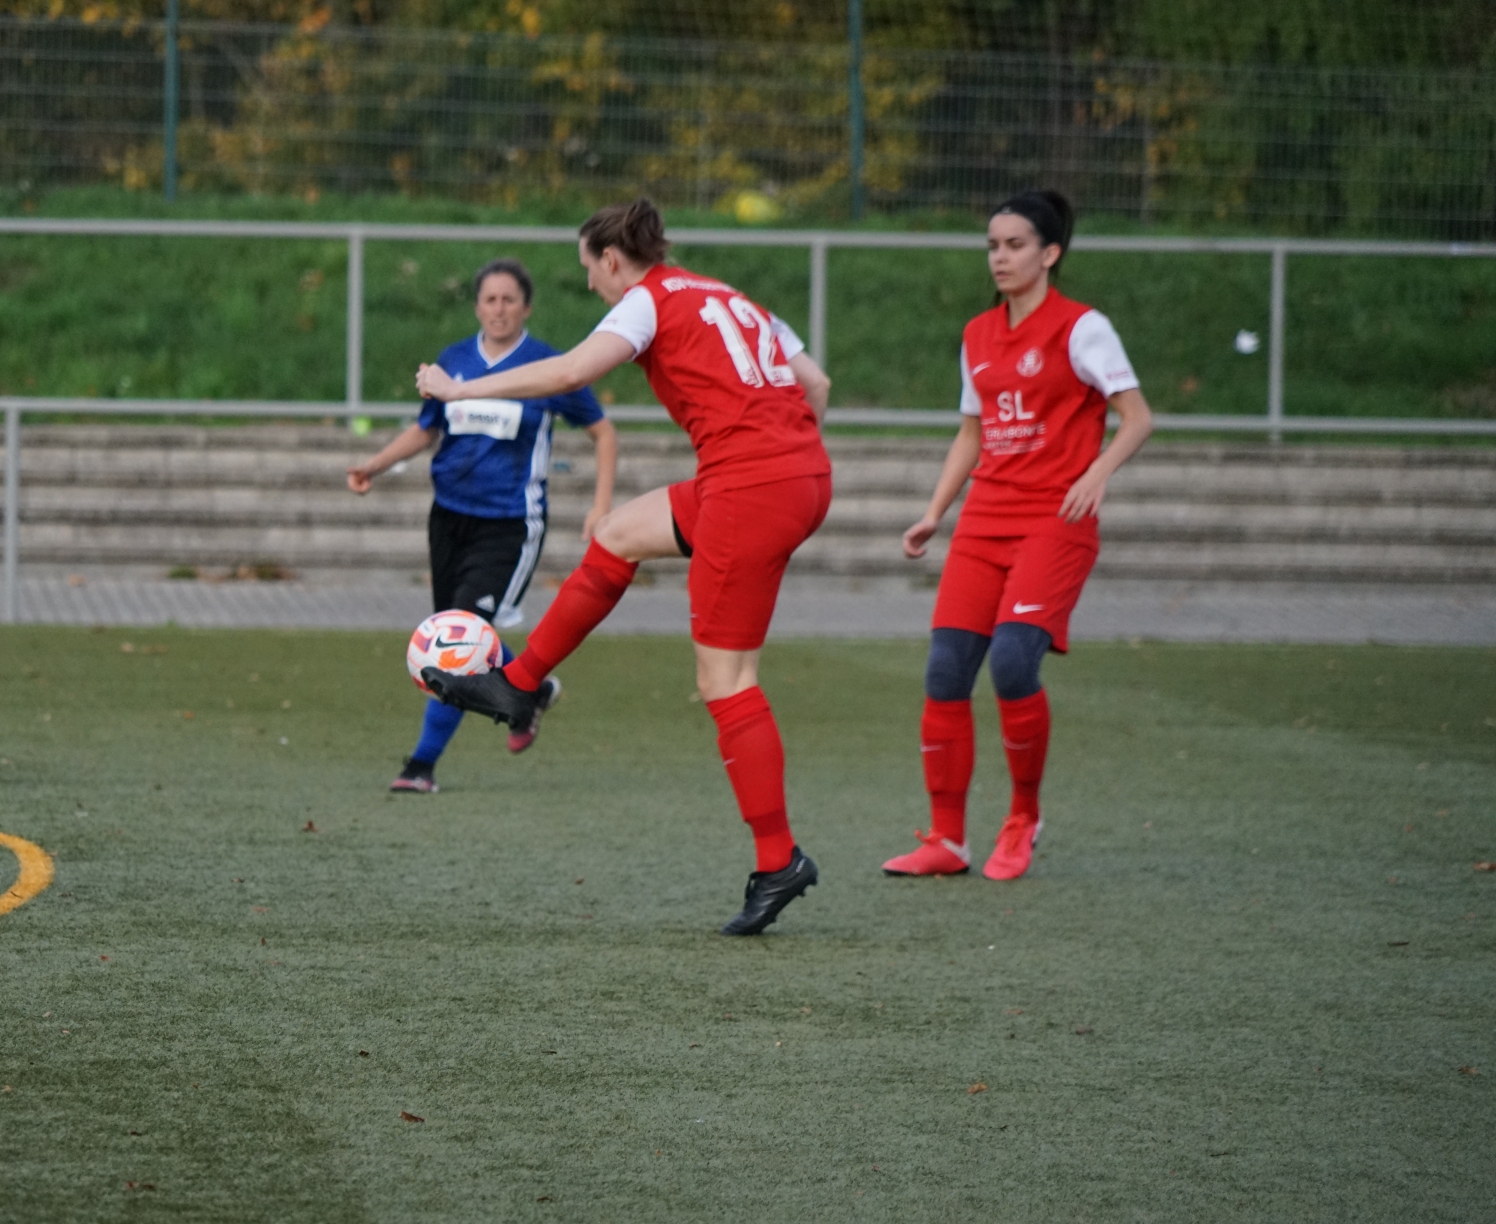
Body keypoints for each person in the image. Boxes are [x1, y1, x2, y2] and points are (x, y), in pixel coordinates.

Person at [415, 199, 834, 936]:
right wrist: (782, 462)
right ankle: (518, 687)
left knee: (726, 683)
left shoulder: (646, 302)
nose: (592, 288)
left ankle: (779, 861)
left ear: (613, 259)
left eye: (589, 272)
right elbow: (818, 386)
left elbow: (571, 370)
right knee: (615, 533)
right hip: (791, 476)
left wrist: (459, 390)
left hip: (749, 489)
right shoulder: (731, 296)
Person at [884, 190, 1154, 882]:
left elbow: (1137, 417)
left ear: (1050, 253)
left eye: (1015, 245)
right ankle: (947, 841)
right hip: (983, 523)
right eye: (992, 246)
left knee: (1011, 663)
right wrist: (935, 512)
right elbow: (972, 433)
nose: (999, 257)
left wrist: (1097, 473)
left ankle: (1023, 818)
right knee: (945, 672)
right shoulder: (978, 333)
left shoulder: (1083, 328)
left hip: (1053, 523)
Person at [349, 257, 619, 793]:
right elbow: (426, 431)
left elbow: (603, 433)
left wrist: (601, 506)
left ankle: (421, 766)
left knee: (458, 638)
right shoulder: (455, 361)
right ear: (477, 306)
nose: (499, 309)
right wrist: (374, 465)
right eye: (490, 300)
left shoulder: (549, 366)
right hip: (448, 517)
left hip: (510, 524)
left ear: (526, 307)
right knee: (462, 631)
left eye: (509, 300)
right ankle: (532, 692)